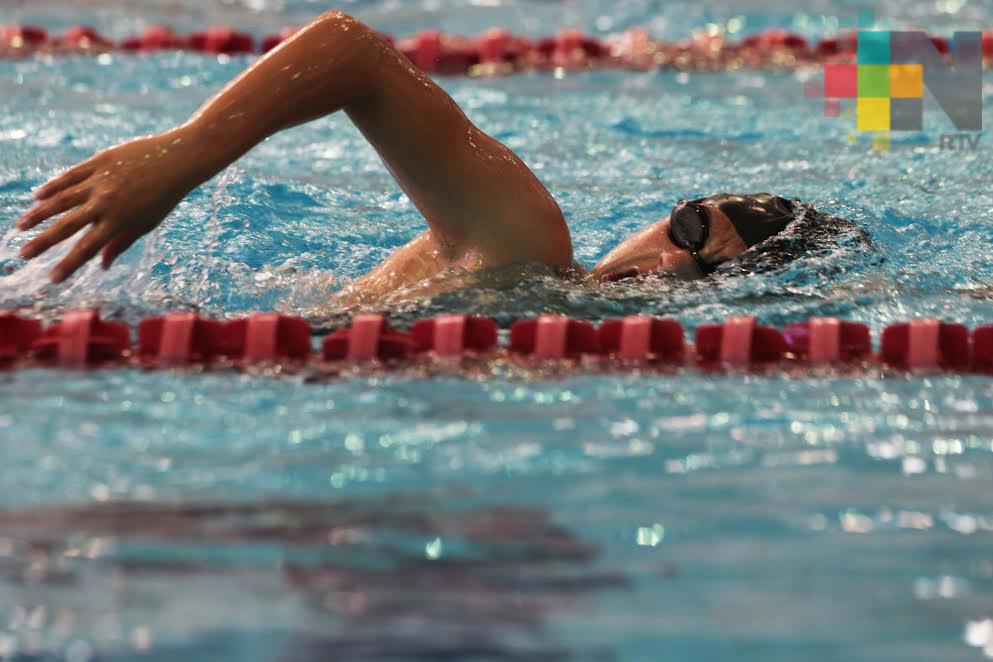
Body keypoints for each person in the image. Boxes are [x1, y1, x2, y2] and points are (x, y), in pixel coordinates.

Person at [15, 10, 858, 298]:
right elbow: (349, 51)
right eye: (686, 228)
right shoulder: (523, 240)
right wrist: (182, 156)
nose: (672, 267)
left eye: (713, 273)